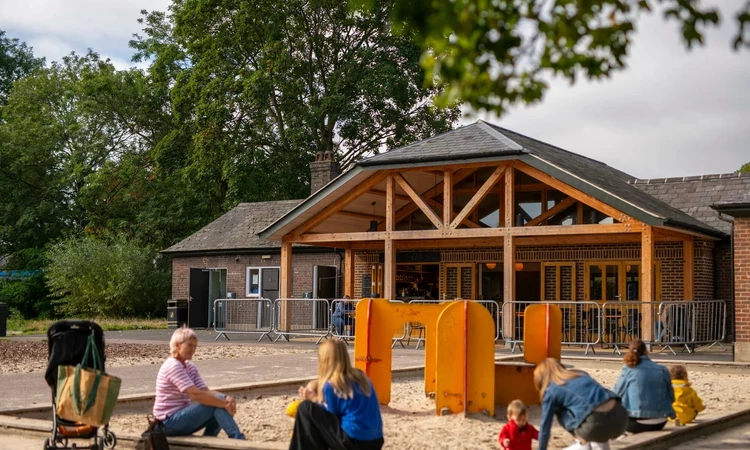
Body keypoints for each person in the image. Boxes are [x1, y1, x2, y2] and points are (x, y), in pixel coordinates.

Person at [289, 338, 384, 450]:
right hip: (376, 440)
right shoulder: (363, 379)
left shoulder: (332, 385)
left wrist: (314, 400)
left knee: (305, 408)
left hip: (354, 441)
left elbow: (330, 418)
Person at [153, 327, 245, 439]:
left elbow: (204, 391)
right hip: (166, 422)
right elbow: (195, 394)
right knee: (216, 404)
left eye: (195, 346)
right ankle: (237, 438)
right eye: (190, 345)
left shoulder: (190, 367)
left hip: (178, 417)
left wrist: (226, 398)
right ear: (177, 345)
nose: (193, 349)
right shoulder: (173, 365)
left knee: (219, 400)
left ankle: (211, 439)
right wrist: (224, 404)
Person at [534, 358, 627, 450]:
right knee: (596, 428)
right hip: (620, 417)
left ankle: (581, 443)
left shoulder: (551, 391)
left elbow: (545, 427)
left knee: (560, 412)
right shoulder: (580, 374)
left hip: (596, 423)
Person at [613, 340, 675, 433]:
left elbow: (617, 394)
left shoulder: (629, 369)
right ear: (646, 351)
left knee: (624, 391)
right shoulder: (662, 369)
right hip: (661, 421)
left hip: (636, 422)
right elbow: (671, 397)